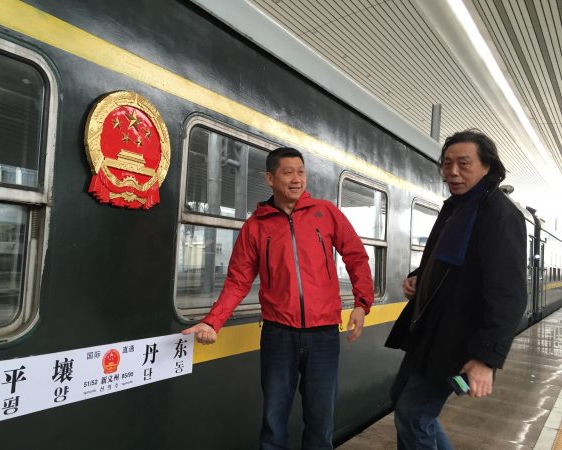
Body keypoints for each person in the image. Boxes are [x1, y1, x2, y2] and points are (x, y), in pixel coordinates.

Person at [183, 146, 374, 450]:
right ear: (270, 178)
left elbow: (356, 257)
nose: (297, 179)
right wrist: (212, 321)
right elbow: (238, 280)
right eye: (288, 173)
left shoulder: (326, 213)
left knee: (321, 421)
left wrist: (362, 304)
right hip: (278, 335)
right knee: (274, 421)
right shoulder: (256, 227)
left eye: (301, 172)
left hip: (323, 335)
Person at [385, 129, 527, 449]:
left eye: (464, 164)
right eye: (447, 163)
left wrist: (485, 359)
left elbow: (510, 295)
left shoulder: (501, 216)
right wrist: (420, 276)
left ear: (487, 166)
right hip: (431, 333)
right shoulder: (457, 208)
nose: (452, 172)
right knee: (402, 399)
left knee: (413, 415)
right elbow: (444, 260)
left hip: (458, 341)